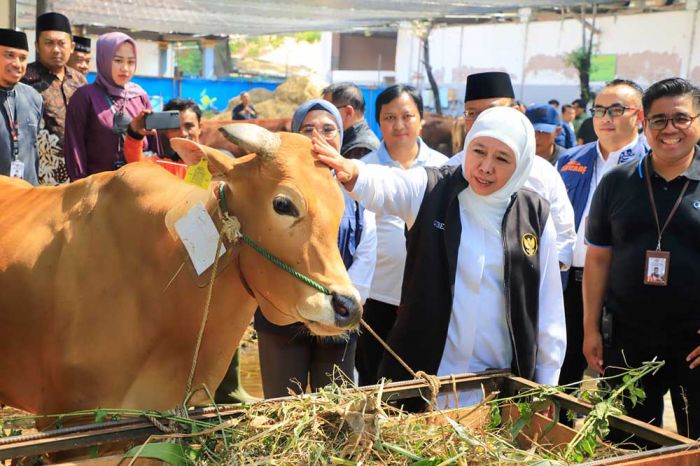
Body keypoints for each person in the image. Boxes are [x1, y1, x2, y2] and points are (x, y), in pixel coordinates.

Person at [314, 106, 566, 409]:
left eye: (502, 158)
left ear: (522, 163)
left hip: (500, 386)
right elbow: (390, 185)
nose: (485, 167)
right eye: (479, 151)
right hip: (425, 379)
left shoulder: (535, 216)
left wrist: (546, 384)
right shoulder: (433, 189)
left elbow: (549, 307)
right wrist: (354, 172)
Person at [583, 77, 700, 442]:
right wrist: (590, 329)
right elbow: (598, 259)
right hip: (627, 341)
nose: (670, 129)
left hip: (694, 345)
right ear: (644, 124)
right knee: (626, 444)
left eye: (681, 118)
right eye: (659, 120)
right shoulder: (617, 182)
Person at [253, 98, 376, 398]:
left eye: (328, 129)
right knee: (281, 407)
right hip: (283, 313)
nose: (317, 136)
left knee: (336, 407)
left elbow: (367, 250)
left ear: (341, 136)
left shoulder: (357, 188)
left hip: (339, 313)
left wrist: (346, 300)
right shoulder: (273, 190)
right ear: (295, 135)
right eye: (307, 129)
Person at [557, 79, 649, 419]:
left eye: (616, 110)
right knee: (562, 375)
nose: (605, 118)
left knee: (618, 382)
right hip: (570, 283)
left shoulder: (650, 163)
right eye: (599, 110)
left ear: (638, 116)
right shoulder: (569, 159)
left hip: (620, 288)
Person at [353, 84, 447, 387]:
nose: (399, 125)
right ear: (378, 122)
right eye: (389, 117)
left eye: (407, 116)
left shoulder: (443, 168)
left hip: (426, 295)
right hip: (377, 295)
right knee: (372, 376)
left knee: (420, 376)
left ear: (421, 119)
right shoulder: (362, 171)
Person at [447, 72, 575, 270]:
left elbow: (563, 240)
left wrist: (528, 277)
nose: (484, 119)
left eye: (492, 110)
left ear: (517, 111)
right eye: (472, 113)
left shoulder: (543, 174)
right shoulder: (447, 173)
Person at [64, 32, 154, 181]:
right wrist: (81, 189)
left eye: (131, 62)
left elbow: (153, 148)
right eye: (118, 60)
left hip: (136, 188)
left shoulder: (140, 97)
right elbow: (75, 149)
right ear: (103, 59)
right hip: (98, 192)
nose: (125, 68)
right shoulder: (85, 97)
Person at [21, 12, 86, 185]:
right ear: (37, 46)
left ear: (71, 47)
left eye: (61, 43)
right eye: (49, 43)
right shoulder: (24, 79)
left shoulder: (79, 80)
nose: (56, 49)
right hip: (39, 173)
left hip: (77, 170)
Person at [0, 29, 42, 184]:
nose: (17, 64)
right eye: (9, 55)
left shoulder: (34, 98)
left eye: (23, 58)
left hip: (27, 196)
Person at [124, 97, 201, 178]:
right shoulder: (160, 166)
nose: (183, 133)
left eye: (189, 126)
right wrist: (135, 134)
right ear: (166, 132)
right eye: (175, 128)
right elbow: (135, 166)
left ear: (200, 128)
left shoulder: (214, 162)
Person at [322, 82, 380, 159]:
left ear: (348, 112)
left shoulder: (360, 149)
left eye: (327, 110)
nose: (322, 115)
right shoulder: (348, 140)